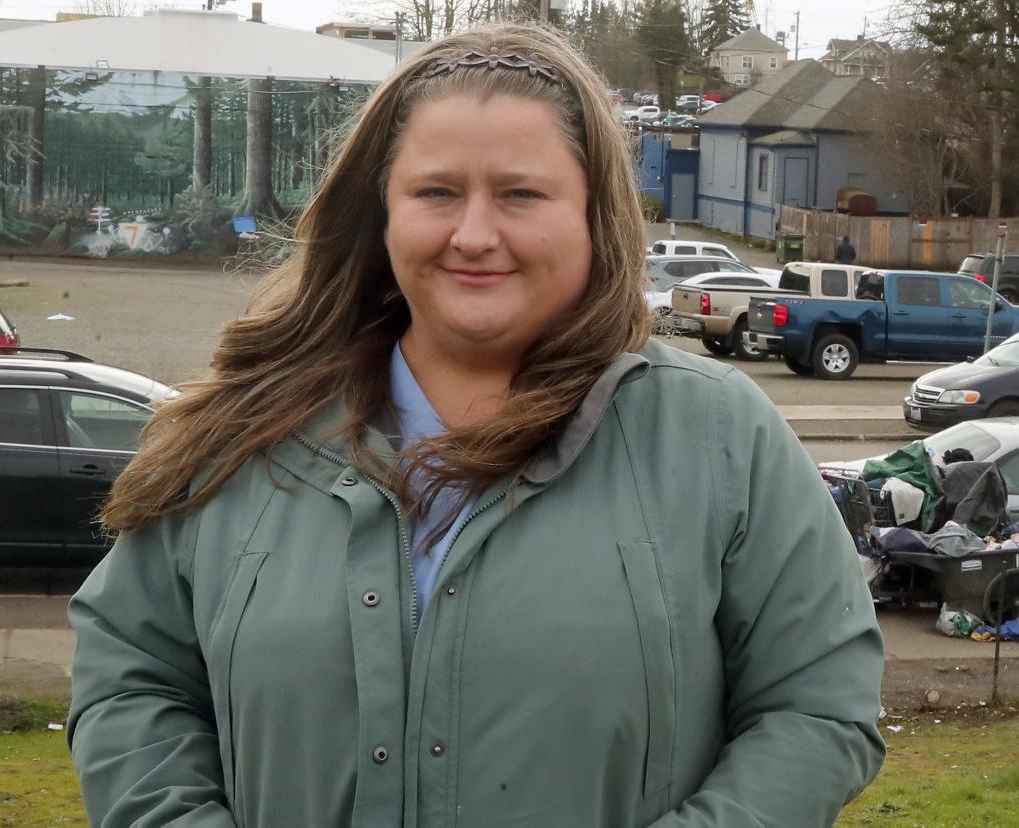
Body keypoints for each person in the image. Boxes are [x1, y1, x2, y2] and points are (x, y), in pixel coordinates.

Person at [67, 23, 885, 828]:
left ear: (594, 215)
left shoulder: (717, 436)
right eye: (436, 192)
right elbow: (133, 679)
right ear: (380, 214)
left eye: (521, 193)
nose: (475, 235)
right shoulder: (241, 432)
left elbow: (818, 707)